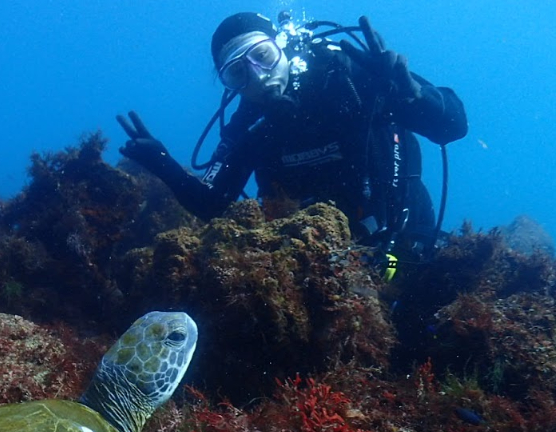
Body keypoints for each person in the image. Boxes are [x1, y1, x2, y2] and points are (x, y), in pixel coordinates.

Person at [117, 14, 467, 259]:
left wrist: (411, 94)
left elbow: (453, 127)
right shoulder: (249, 126)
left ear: (281, 47)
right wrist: (164, 166)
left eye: (262, 56)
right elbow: (212, 203)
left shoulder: (352, 78)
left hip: (403, 238)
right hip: (309, 261)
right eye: (238, 72)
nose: (257, 77)